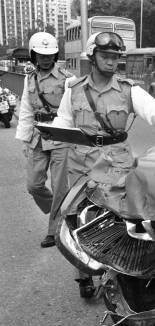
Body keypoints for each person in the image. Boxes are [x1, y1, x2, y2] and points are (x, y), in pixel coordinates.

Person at [51, 31, 155, 297]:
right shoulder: (73, 90)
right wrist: (49, 133)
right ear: (92, 57)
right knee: (78, 220)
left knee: (120, 221)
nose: (111, 62)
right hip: (81, 166)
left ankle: (120, 273)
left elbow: (154, 111)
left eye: (115, 57)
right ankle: (85, 274)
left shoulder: (128, 90)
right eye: (105, 56)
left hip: (116, 166)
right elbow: (63, 122)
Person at [15, 31, 74, 248]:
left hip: (61, 136)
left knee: (60, 187)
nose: (46, 58)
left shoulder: (68, 79)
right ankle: (66, 211)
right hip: (38, 137)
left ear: (55, 55)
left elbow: (73, 111)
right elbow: (26, 110)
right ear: (33, 55)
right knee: (33, 184)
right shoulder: (29, 79)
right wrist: (24, 140)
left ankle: (54, 231)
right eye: (41, 54)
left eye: (49, 54)